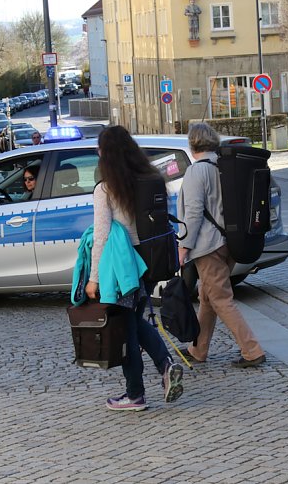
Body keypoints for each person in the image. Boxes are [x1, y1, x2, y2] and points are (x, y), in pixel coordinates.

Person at [84, 126, 183, 411]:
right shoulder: (151, 178)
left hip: (123, 265)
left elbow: (101, 236)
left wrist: (93, 279)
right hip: (149, 259)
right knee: (134, 323)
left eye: (100, 149)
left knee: (126, 329)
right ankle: (165, 368)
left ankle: (135, 393)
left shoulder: (106, 188)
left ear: (108, 154)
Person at [177, 123, 266, 368]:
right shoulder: (225, 167)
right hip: (230, 242)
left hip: (207, 245)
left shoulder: (197, 171)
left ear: (192, 144)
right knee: (208, 296)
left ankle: (252, 350)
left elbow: (193, 213)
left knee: (220, 298)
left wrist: (183, 246)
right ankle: (198, 349)